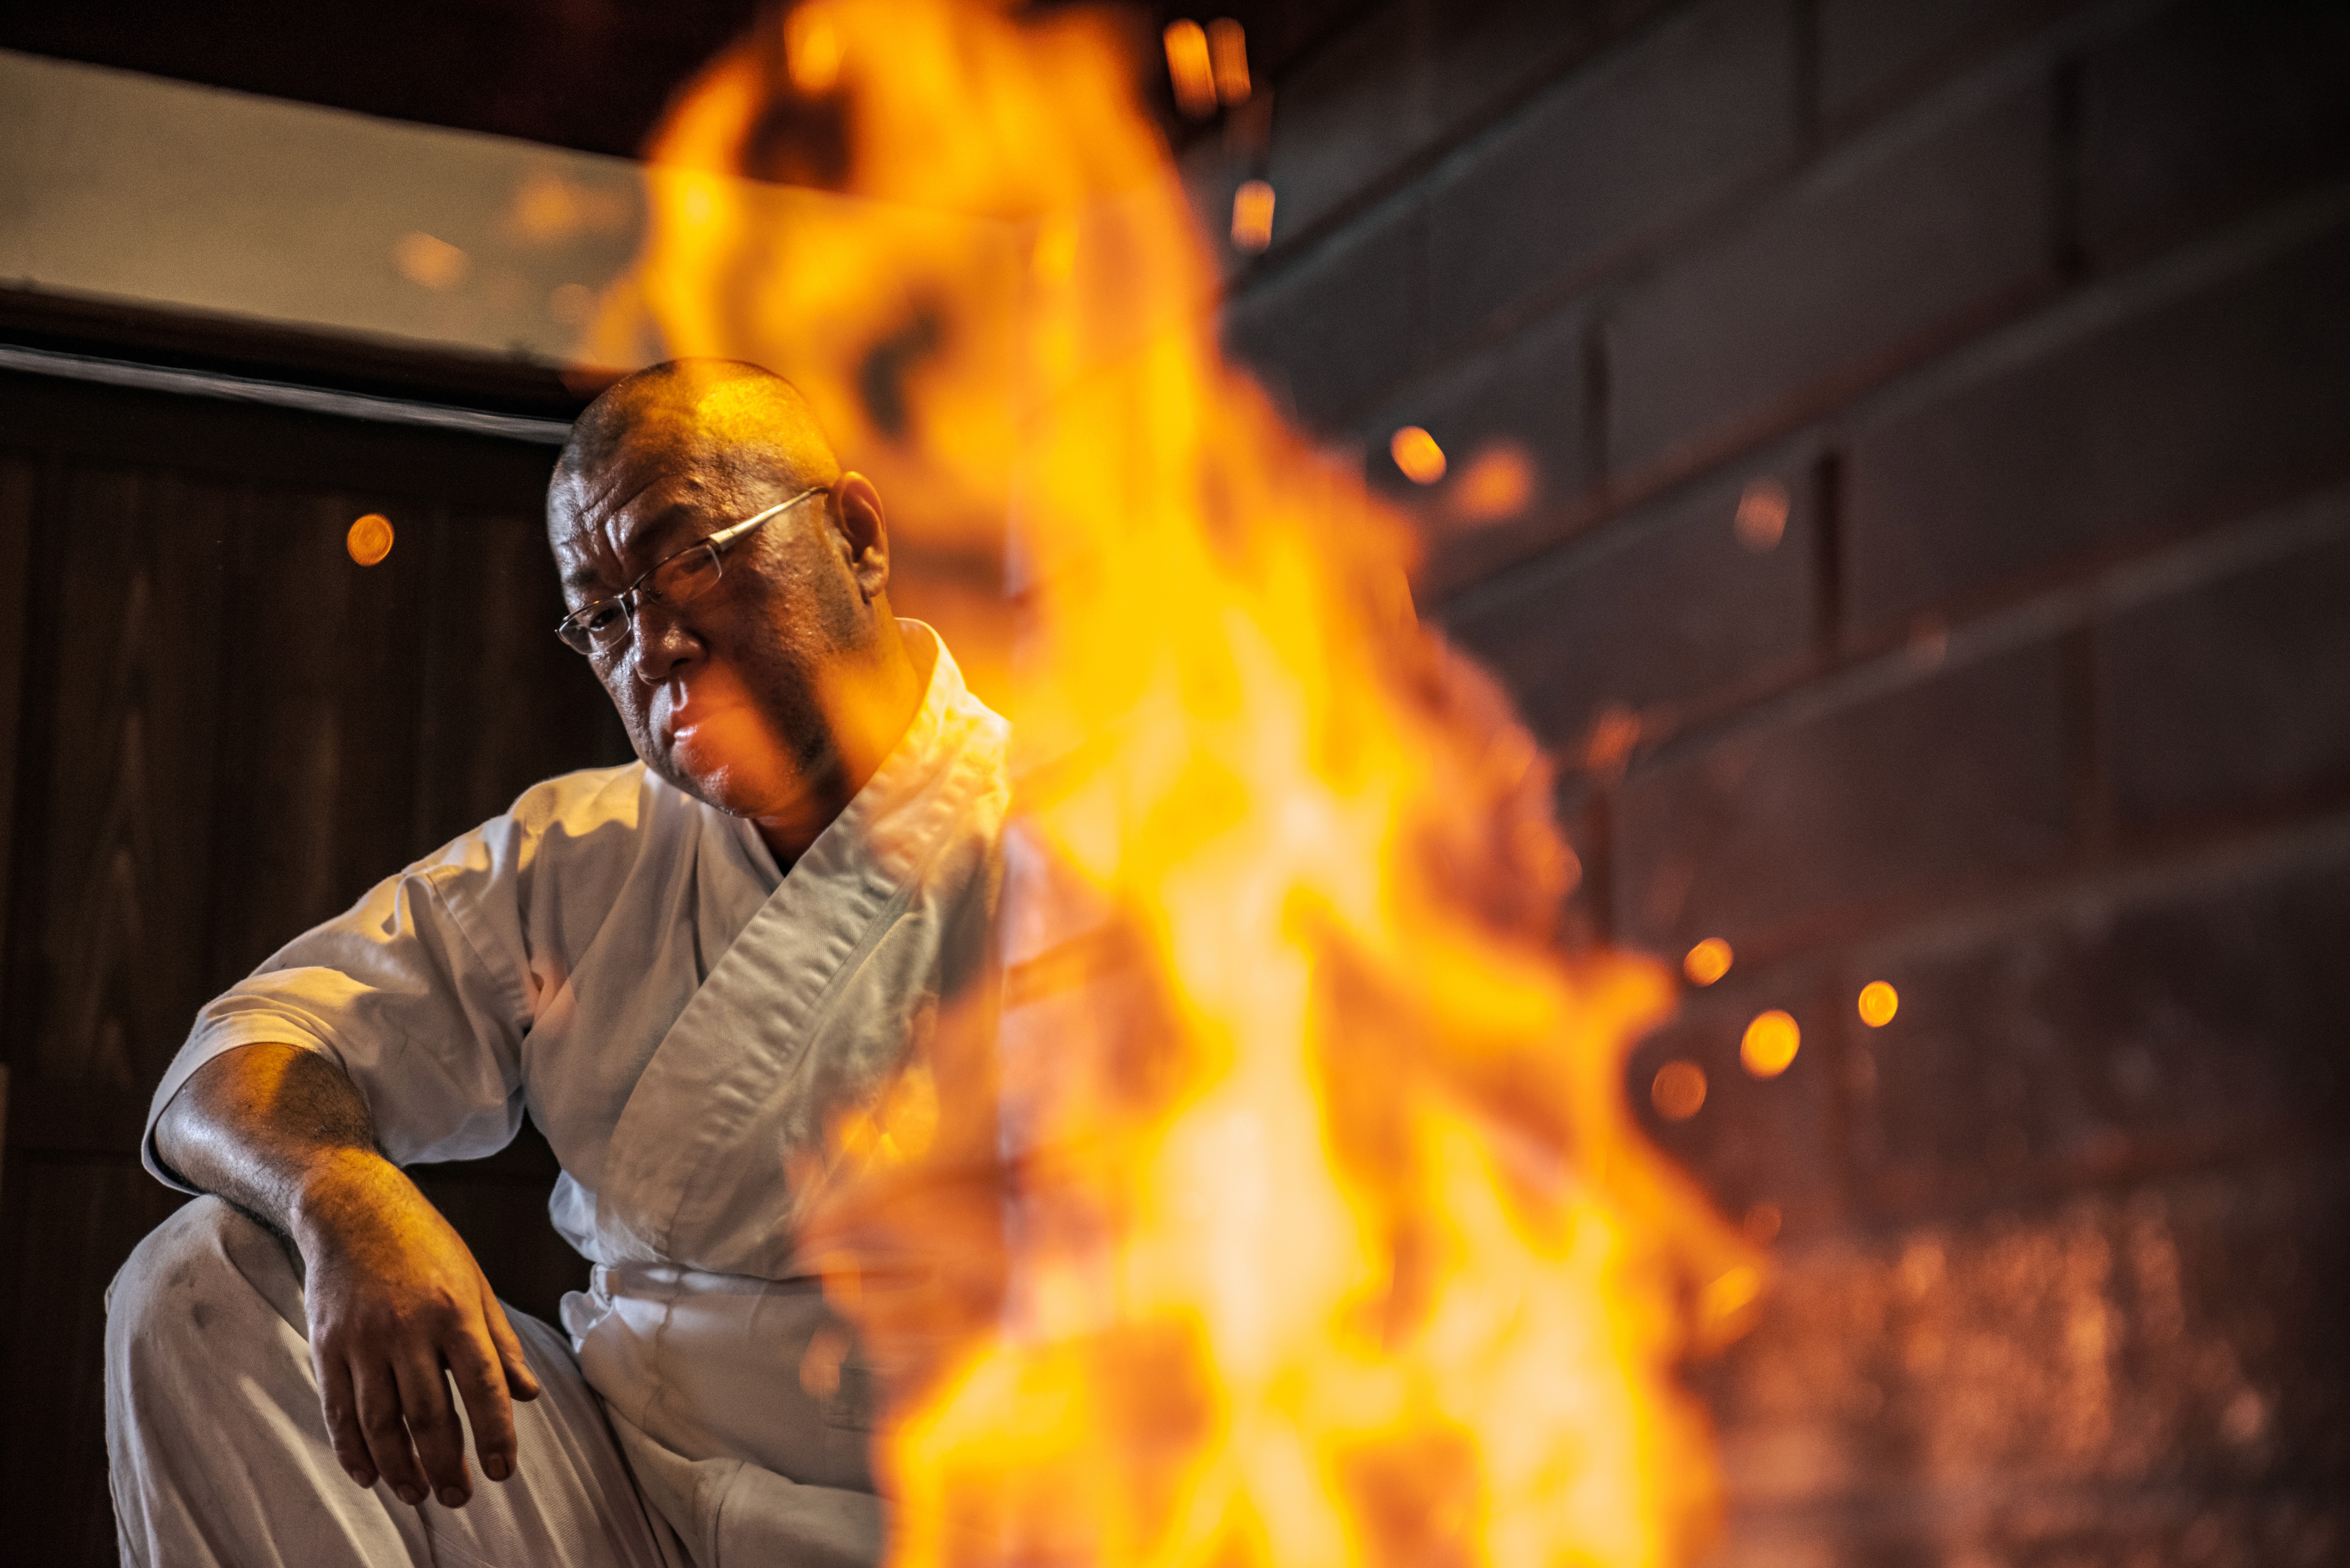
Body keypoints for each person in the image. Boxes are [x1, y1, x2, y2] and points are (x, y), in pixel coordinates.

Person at [103, 359, 1010, 1568]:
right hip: (608, 1504)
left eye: (691, 559)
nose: (656, 643)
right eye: (602, 613)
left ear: (853, 537)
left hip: (923, 1524)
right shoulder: (586, 849)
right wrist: (345, 1195)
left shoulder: (1080, 849)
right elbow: (246, 1052)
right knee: (200, 1283)